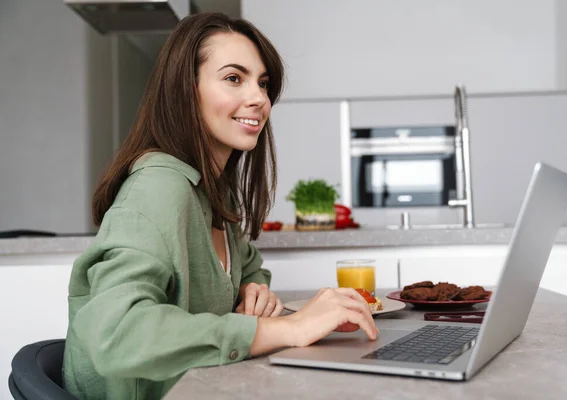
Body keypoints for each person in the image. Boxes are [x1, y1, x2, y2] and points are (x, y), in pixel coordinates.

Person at [62, 12, 378, 400]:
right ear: (184, 89)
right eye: (234, 78)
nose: (259, 98)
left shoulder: (212, 191)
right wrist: (281, 330)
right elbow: (116, 332)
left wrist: (252, 288)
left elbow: (248, 268)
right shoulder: (158, 188)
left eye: (263, 83)